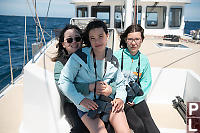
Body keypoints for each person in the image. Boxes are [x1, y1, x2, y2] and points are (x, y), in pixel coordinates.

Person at [58, 20, 130, 133]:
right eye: (93, 38)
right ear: (89, 40)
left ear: (107, 36)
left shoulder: (113, 59)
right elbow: (64, 81)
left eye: (101, 36)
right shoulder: (78, 57)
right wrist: (80, 100)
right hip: (87, 106)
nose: (97, 41)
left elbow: (121, 84)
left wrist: (120, 98)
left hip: (109, 102)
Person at [52, 24, 113, 133]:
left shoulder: (91, 56)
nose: (74, 42)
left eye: (77, 38)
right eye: (69, 40)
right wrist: (89, 87)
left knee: (107, 126)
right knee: (81, 129)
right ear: (63, 44)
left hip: (94, 99)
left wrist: (110, 88)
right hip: (72, 103)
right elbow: (63, 86)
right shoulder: (60, 64)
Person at [114, 24, 160, 133]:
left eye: (137, 39)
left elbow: (146, 82)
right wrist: (122, 97)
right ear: (125, 39)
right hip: (120, 98)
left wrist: (137, 99)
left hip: (136, 97)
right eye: (130, 39)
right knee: (138, 126)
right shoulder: (116, 56)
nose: (133, 43)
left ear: (142, 40)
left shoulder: (144, 60)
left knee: (149, 122)